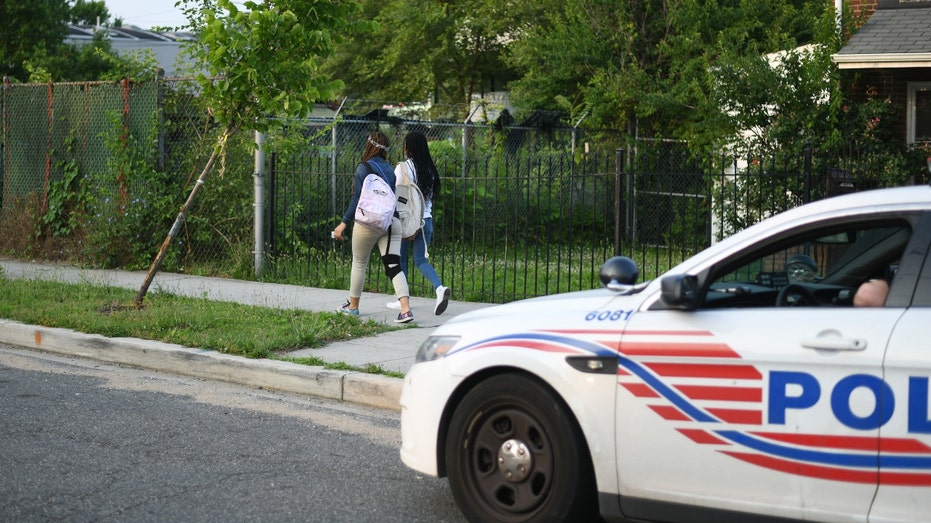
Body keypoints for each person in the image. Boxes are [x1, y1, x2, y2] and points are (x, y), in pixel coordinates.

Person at [332, 131, 414, 323]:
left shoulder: (364, 168)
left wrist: (343, 223)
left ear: (368, 147)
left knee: (359, 263)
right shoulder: (390, 170)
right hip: (392, 222)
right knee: (394, 264)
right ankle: (406, 309)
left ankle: (353, 307)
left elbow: (357, 199)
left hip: (369, 223)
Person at [385, 132, 451, 315]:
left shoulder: (403, 168)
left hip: (406, 221)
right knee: (421, 260)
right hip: (426, 220)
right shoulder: (430, 169)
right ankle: (439, 288)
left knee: (400, 259)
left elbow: (396, 194)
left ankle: (402, 300)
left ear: (408, 147)